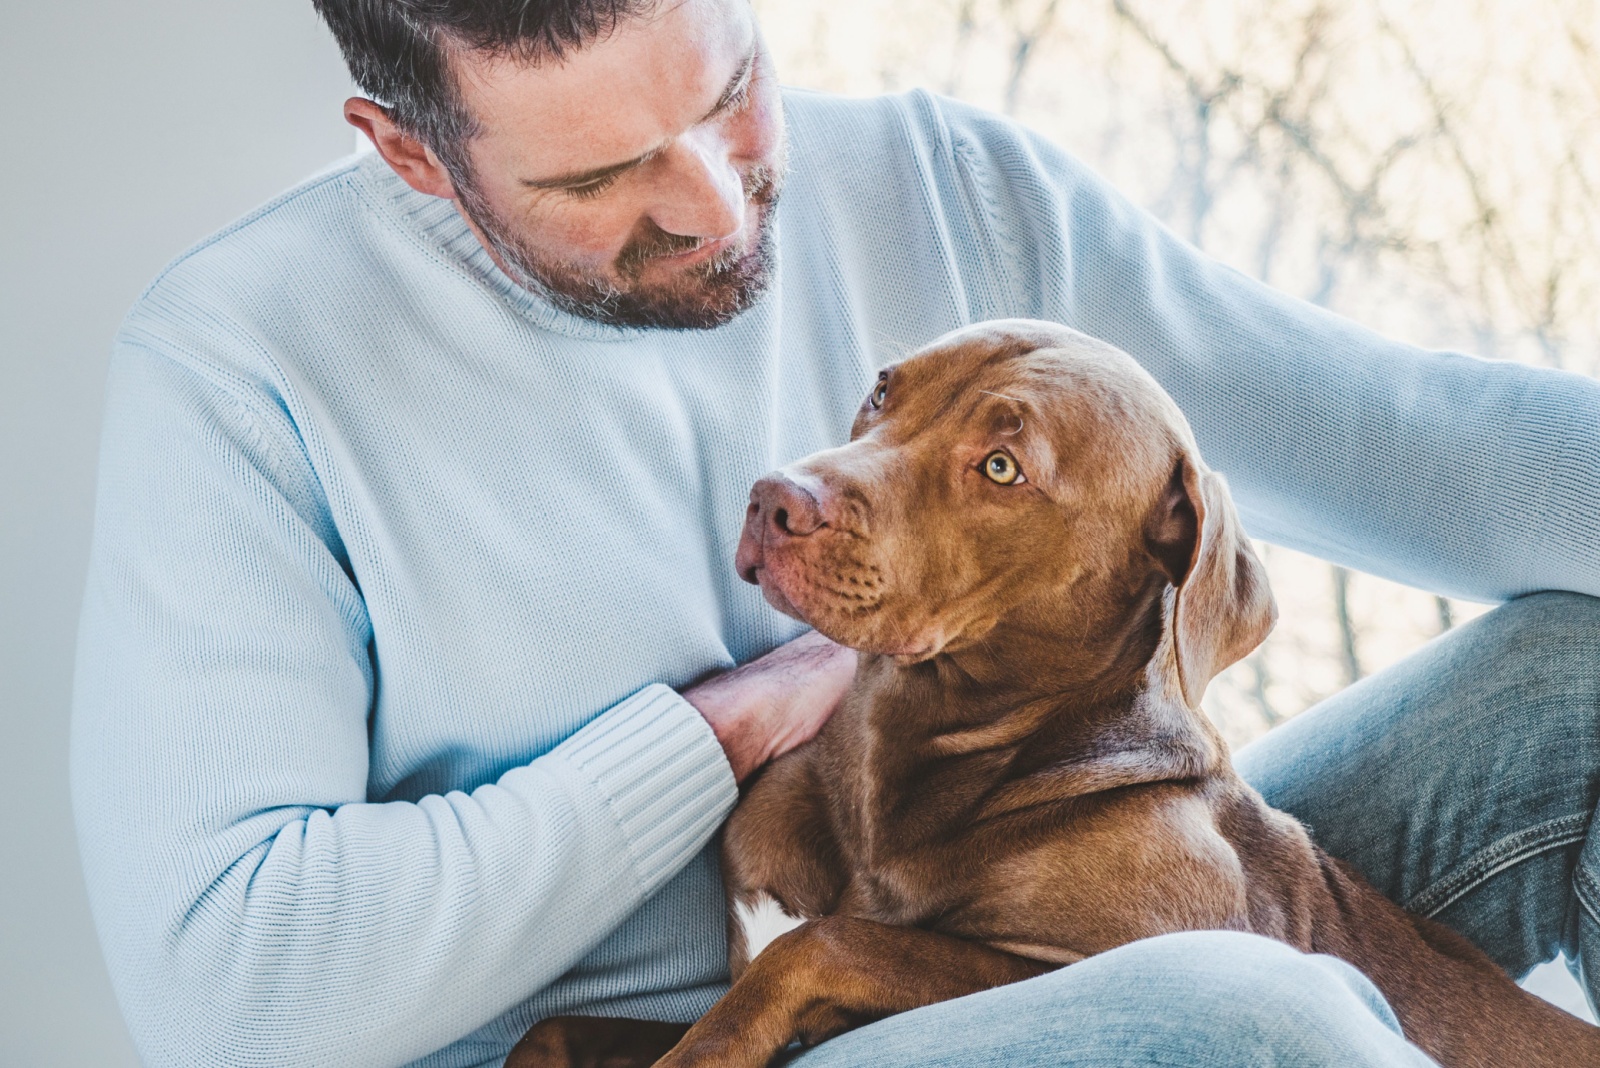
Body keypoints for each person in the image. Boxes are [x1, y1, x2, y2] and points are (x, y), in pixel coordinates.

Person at [68, 0, 1600, 1065]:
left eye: (731, 90)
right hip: (690, 1036)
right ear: (408, 150)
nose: (724, 208)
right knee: (1264, 1028)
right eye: (602, 179)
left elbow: (1441, 445)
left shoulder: (943, 187)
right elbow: (238, 999)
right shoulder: (242, 371)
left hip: (1048, 895)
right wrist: (726, 727)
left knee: (1572, 692)